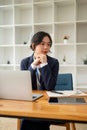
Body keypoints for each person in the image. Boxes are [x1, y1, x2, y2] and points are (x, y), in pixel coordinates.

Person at [20, 31, 59, 130]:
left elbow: (50, 86)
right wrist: (33, 66)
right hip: (30, 101)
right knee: (29, 118)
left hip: (47, 103)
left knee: (38, 119)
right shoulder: (24, 62)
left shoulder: (54, 62)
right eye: (42, 44)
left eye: (49, 45)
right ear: (34, 45)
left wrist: (44, 65)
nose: (46, 47)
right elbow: (24, 85)